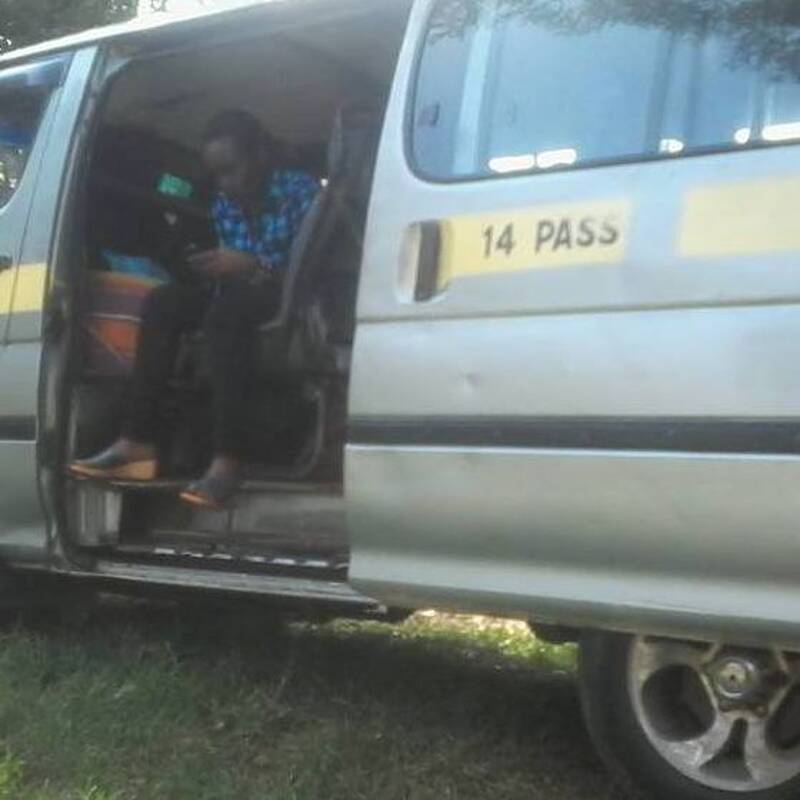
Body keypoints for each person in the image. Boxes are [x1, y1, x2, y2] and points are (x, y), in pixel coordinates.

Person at [69, 110, 319, 509]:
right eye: (217, 174)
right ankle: (136, 441)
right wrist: (209, 266)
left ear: (259, 155)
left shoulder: (300, 190)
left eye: (231, 170)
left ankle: (228, 459)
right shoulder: (224, 202)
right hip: (236, 288)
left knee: (225, 315)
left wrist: (251, 266)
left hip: (285, 292)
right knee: (163, 302)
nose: (224, 183)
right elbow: (232, 266)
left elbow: (304, 268)